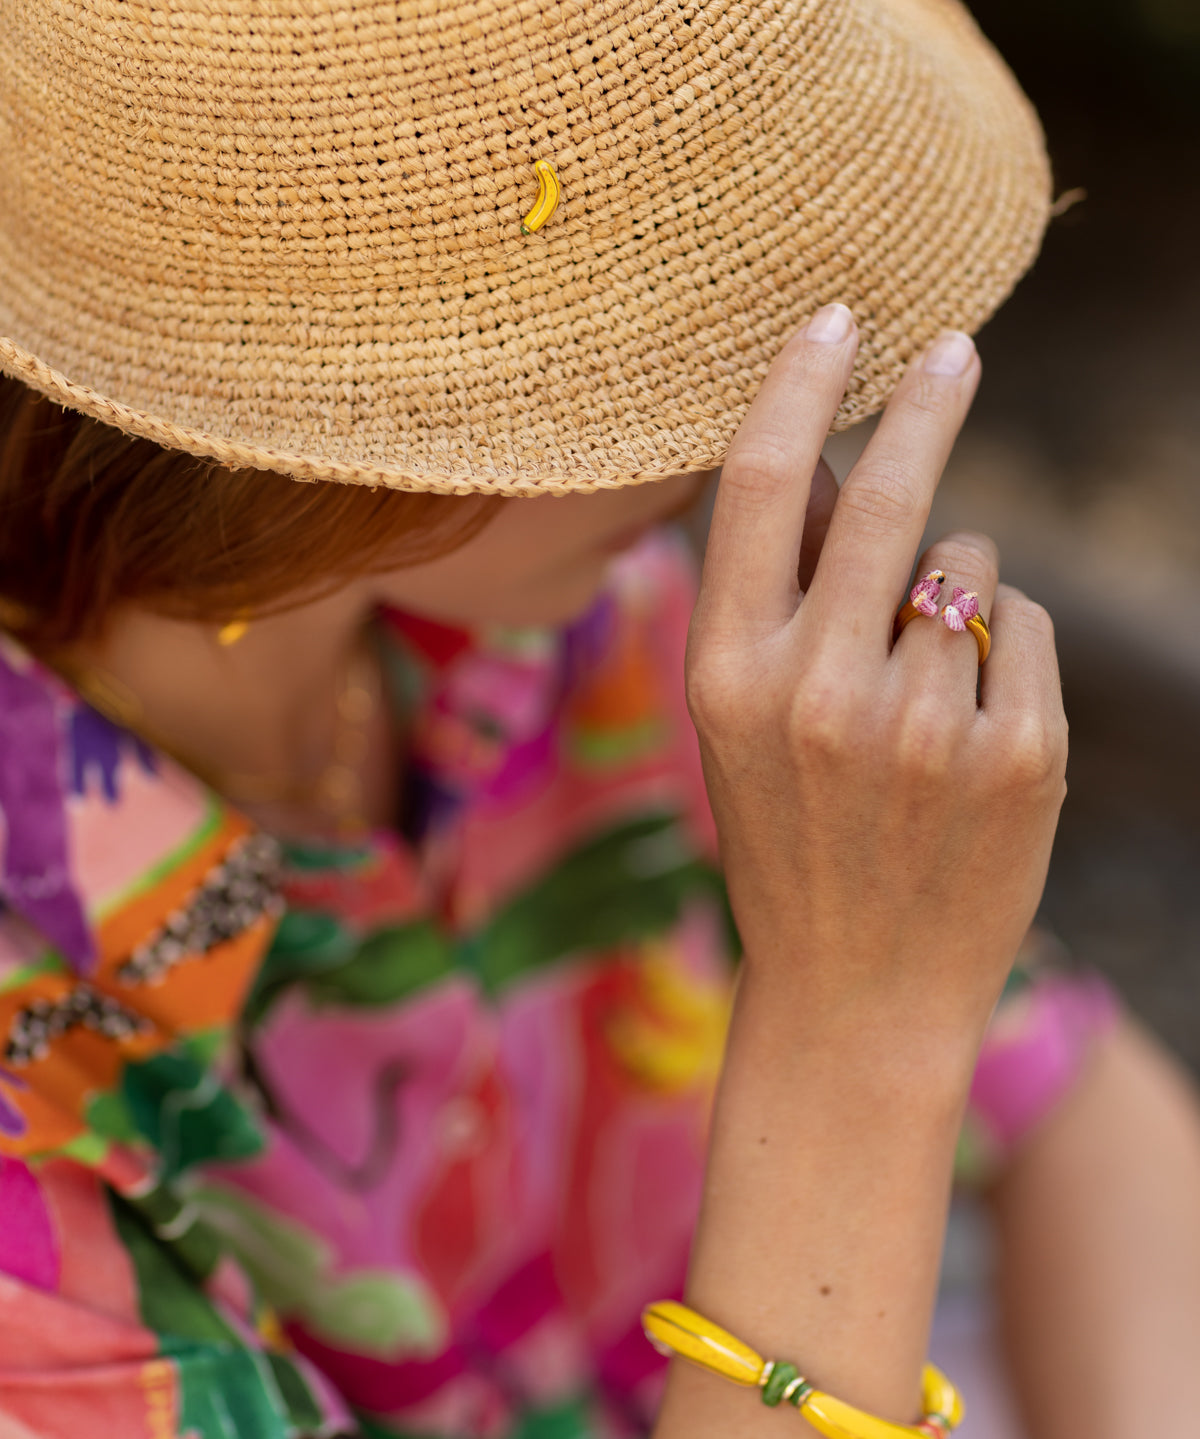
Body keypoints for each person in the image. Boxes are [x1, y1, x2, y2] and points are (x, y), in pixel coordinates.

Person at [1, 2, 1199, 1438]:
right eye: (630, 348)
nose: (741, 430)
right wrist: (858, 1039)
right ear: (323, 407)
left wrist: (909, 970)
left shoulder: (576, 622)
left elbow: (1076, 1098)